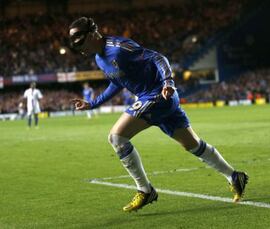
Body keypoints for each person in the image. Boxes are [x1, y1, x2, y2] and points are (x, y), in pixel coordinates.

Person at [69, 17, 248, 212]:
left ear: (94, 34)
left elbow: (158, 58)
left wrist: (168, 81)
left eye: (82, 43)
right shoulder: (99, 58)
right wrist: (93, 104)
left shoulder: (120, 48)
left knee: (116, 137)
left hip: (158, 94)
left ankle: (145, 190)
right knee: (192, 144)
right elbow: (117, 82)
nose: (81, 49)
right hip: (157, 99)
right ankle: (234, 176)